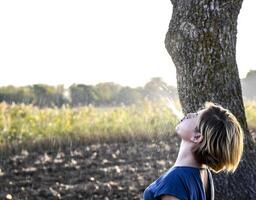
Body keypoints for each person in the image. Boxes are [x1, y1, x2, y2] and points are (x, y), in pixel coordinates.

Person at [143, 102, 244, 200]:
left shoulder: (174, 181)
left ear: (197, 137)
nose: (188, 114)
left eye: (194, 116)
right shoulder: (205, 173)